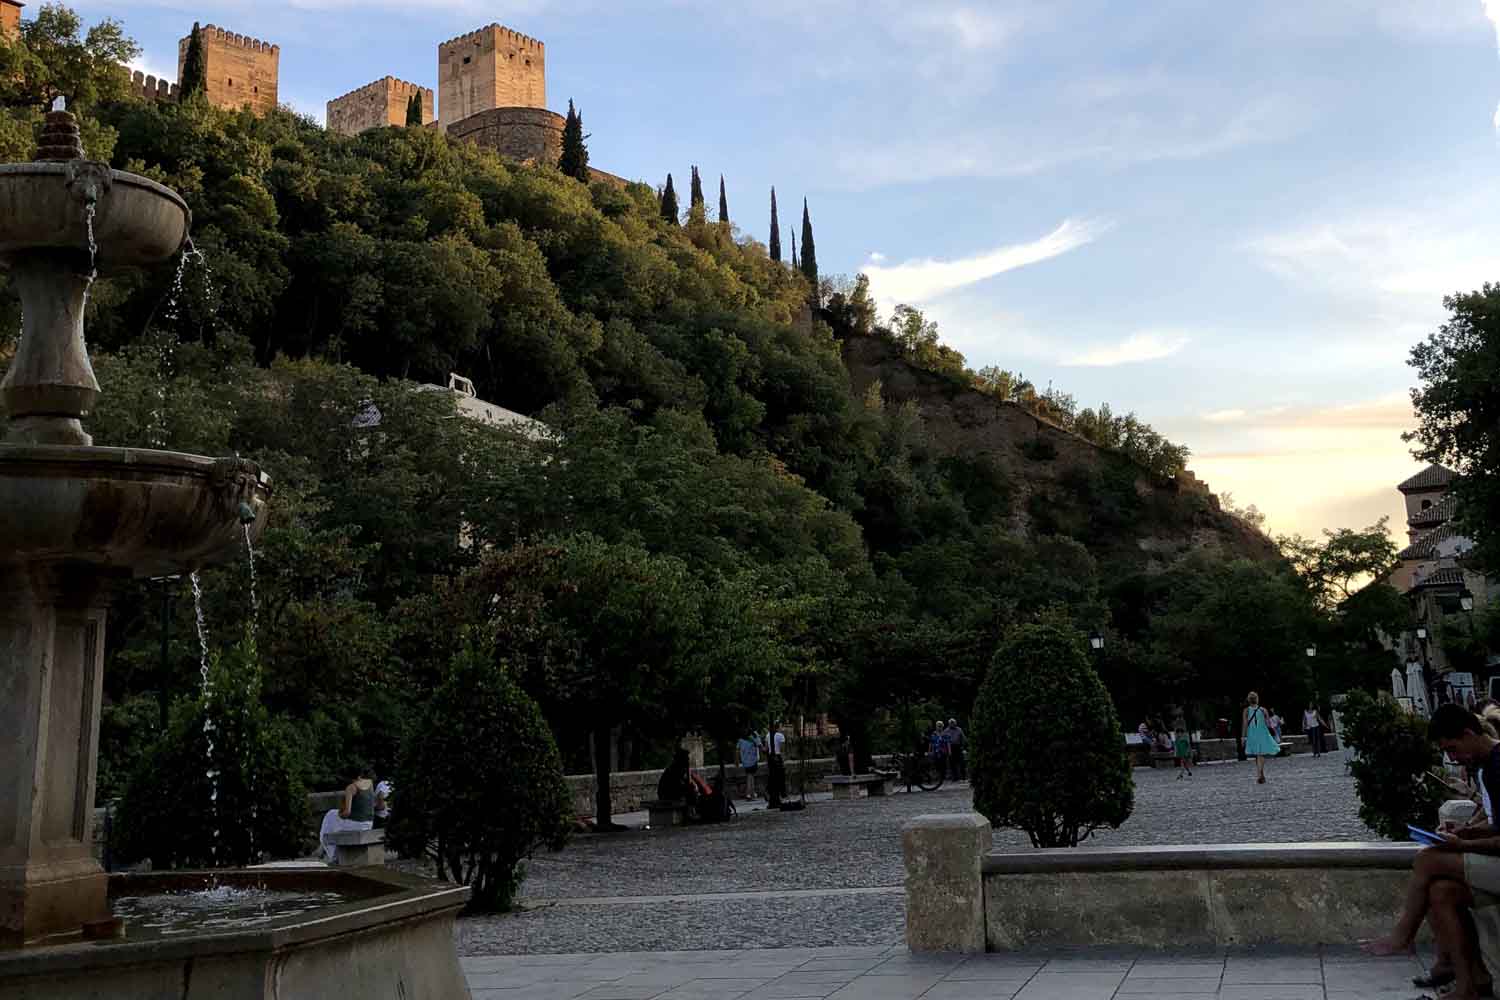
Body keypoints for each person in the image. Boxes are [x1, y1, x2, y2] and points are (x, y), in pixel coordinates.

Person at [1363, 704, 1500, 1000]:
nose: (1452, 758)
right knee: (1441, 891)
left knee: (1427, 859)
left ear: (1468, 734)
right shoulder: (1488, 766)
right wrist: (1467, 832)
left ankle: (1402, 935)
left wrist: (1464, 845)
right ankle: (1468, 985)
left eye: (1452, 748)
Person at [319, 765, 376, 862]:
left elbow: (347, 813)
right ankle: (329, 851)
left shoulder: (351, 787)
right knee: (333, 820)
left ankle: (332, 854)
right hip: (369, 824)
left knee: (330, 816)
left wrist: (339, 814)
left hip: (356, 825)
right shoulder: (370, 783)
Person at [1243, 692, 1279, 785]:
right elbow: (1268, 724)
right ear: (1257, 699)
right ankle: (1260, 774)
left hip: (1252, 734)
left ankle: (1260, 775)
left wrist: (1244, 736)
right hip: (1262, 733)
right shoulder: (1263, 710)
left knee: (1258, 754)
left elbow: (1245, 724)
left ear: (1248, 700)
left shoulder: (1246, 710)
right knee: (1260, 754)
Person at [766, 722, 786, 808]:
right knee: (780, 778)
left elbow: (766, 748)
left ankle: (772, 796)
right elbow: (782, 749)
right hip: (778, 756)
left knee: (772, 777)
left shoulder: (768, 735)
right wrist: (783, 760)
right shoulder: (780, 736)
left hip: (770, 757)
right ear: (778, 727)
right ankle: (781, 794)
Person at [736, 730, 760, 800]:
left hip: (745, 761)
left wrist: (737, 760)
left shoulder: (740, 739)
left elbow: (737, 749)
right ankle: (749, 794)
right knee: (750, 777)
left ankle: (752, 793)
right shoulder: (754, 737)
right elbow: (759, 744)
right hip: (753, 760)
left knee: (750, 776)